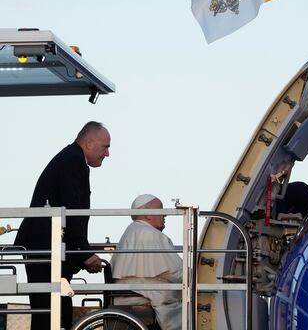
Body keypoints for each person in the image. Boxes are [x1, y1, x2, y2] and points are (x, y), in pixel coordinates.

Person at [14, 121, 110, 329]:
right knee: (52, 312)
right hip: (44, 248)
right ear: (90, 142)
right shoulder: (74, 162)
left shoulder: (71, 158)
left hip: (43, 246)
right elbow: (71, 211)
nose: (108, 153)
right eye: (105, 146)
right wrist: (85, 253)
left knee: (51, 310)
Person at [111, 194, 182, 330]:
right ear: (148, 214)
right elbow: (175, 272)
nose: (165, 215)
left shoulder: (132, 230)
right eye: (161, 210)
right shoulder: (150, 234)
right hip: (144, 293)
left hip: (134, 291)